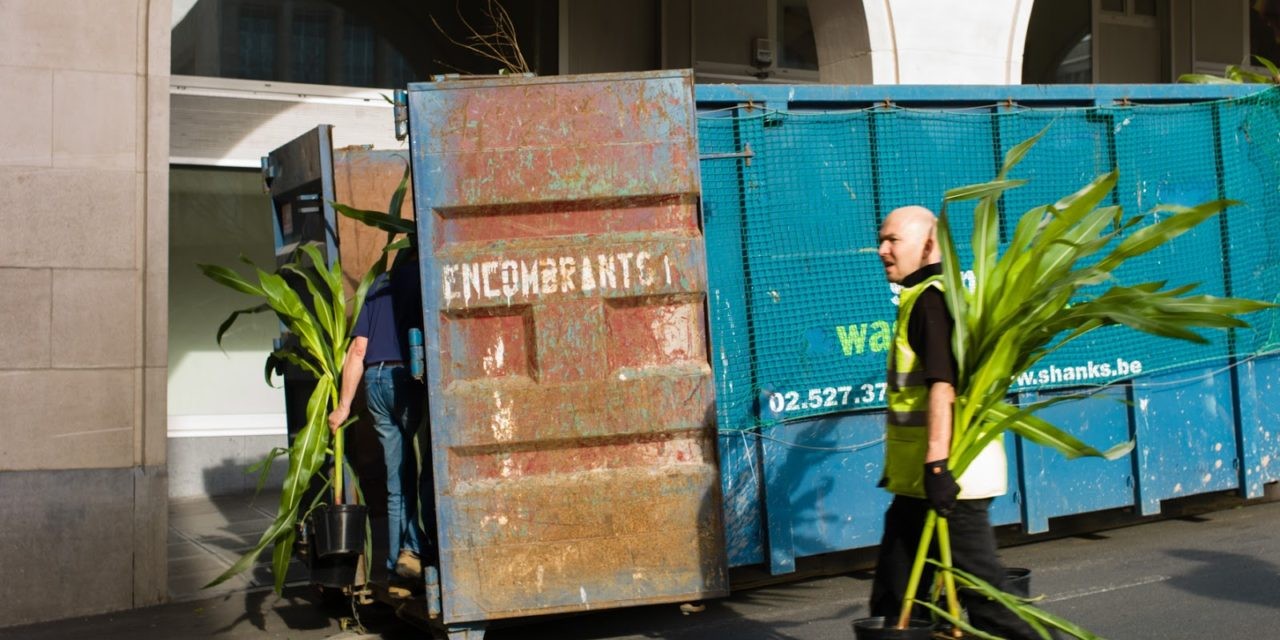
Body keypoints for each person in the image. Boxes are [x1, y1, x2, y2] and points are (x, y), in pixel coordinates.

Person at [868, 205, 1038, 639]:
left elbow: (943, 386)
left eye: (893, 241)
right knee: (897, 594)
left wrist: (938, 468)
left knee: (988, 602)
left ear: (928, 246)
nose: (882, 249)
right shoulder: (920, 298)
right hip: (918, 486)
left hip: (950, 482)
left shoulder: (931, 301)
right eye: (881, 238)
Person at [328, 252, 431, 588]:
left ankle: (396, 562)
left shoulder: (379, 285)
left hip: (374, 381)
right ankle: (415, 550)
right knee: (421, 470)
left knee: (395, 476)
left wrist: (344, 406)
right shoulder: (426, 276)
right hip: (407, 376)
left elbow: (358, 349)